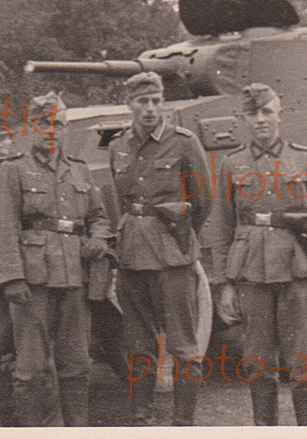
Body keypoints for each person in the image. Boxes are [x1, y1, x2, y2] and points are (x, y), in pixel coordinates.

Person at [209, 83, 307, 426]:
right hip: (250, 274)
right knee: (257, 363)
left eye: (267, 111)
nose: (260, 119)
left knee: (304, 364)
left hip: (297, 273)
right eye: (253, 114)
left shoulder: (304, 158)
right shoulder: (232, 163)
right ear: (243, 119)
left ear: (280, 115)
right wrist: (225, 284)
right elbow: (221, 226)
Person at [0, 92, 113, 426]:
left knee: (77, 364)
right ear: (32, 126)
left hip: (75, 278)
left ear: (66, 130)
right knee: (31, 369)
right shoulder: (14, 170)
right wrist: (12, 277)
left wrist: (98, 240)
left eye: (58, 124)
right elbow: (4, 226)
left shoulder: (80, 171)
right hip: (34, 281)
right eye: (44, 123)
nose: (52, 131)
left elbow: (99, 217)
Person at [108, 72, 214, 426]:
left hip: (172, 257)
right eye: (143, 101)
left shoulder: (184, 143)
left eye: (156, 101)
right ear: (130, 105)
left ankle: (183, 423)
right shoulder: (118, 145)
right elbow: (120, 199)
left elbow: (202, 202)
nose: (151, 109)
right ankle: (142, 416)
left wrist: (181, 237)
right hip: (132, 256)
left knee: (183, 347)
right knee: (137, 345)